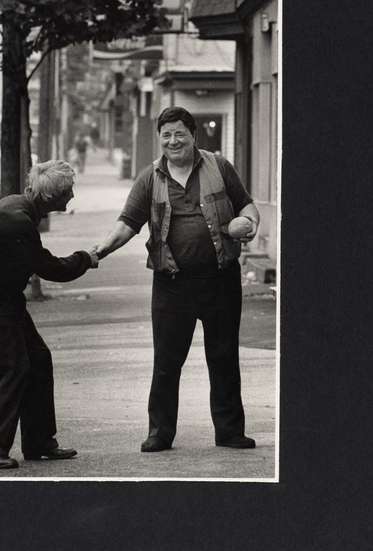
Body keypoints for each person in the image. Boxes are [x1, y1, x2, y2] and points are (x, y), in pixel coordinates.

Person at [95, 107, 260, 453]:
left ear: (193, 135)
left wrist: (251, 224)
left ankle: (230, 431)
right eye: (166, 135)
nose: (173, 141)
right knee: (167, 363)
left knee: (224, 357)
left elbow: (246, 206)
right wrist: (101, 250)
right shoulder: (149, 178)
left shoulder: (218, 166)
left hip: (221, 280)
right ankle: (160, 433)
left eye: (179, 133)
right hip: (172, 284)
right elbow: (127, 223)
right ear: (160, 139)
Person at [0, 159, 99, 470]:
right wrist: (85, 258)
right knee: (14, 370)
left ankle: (39, 442)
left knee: (38, 359)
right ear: (51, 198)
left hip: (2, 298)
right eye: (69, 191)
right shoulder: (19, 221)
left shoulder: (19, 206)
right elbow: (50, 268)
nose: (73, 196)